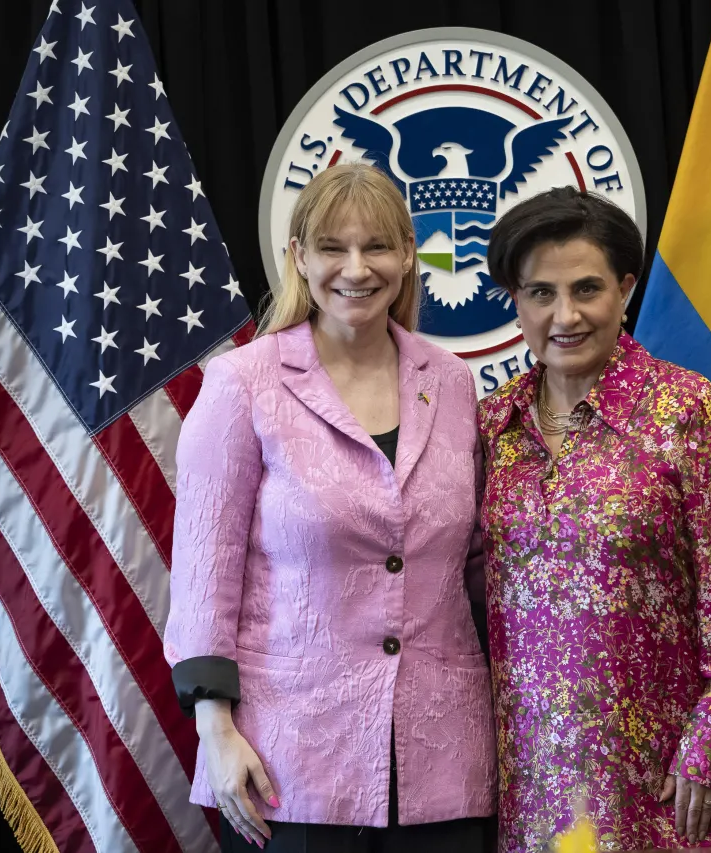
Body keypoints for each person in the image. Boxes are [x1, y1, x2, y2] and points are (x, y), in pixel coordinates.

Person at [164, 162, 495, 852]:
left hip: (446, 763)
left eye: (377, 246)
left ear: (409, 255)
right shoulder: (241, 383)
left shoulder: (454, 383)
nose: (356, 267)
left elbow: (476, 566)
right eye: (332, 248)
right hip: (287, 764)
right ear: (297, 258)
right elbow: (204, 568)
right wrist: (215, 729)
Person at [478, 187, 711, 852]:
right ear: (515, 300)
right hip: (532, 792)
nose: (565, 315)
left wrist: (708, 750)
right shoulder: (489, 428)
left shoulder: (688, 414)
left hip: (669, 790)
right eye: (539, 293)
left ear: (624, 289)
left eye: (586, 289)